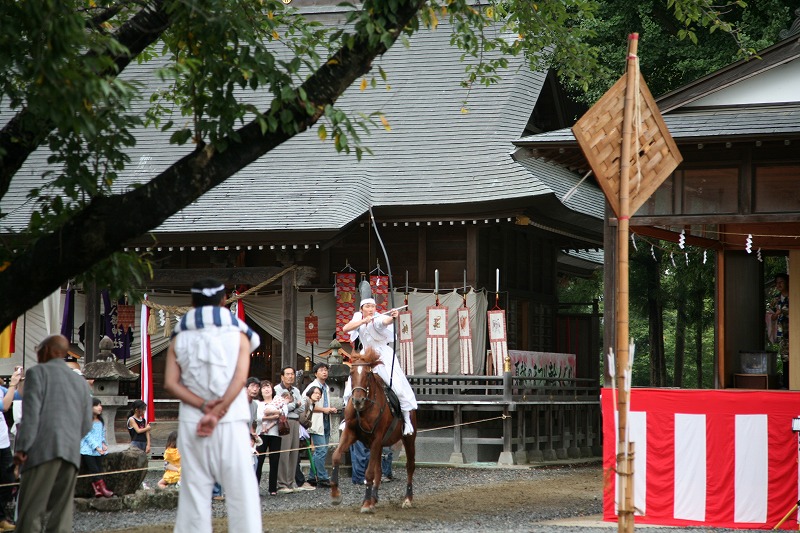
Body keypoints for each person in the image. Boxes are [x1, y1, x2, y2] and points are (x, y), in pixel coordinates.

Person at [164, 278, 262, 533]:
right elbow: (240, 378)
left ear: (192, 303)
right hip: (231, 418)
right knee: (242, 489)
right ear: (223, 301)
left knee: (194, 490)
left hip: (193, 419)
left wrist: (205, 406)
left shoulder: (180, 335)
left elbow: (171, 383)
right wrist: (218, 411)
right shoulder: (238, 332)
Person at [14, 334, 93, 533]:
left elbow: (31, 415)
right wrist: (71, 439)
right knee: (62, 515)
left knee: (31, 511)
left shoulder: (37, 373)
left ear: (47, 351)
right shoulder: (81, 382)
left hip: (42, 450)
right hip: (70, 452)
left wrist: (22, 447)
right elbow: (86, 424)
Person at [343, 297, 418, 434]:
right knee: (351, 386)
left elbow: (383, 323)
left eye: (373, 306)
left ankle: (407, 420)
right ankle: (347, 418)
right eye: (367, 306)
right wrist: (363, 321)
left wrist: (392, 317)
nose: (371, 309)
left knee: (397, 386)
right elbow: (345, 328)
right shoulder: (358, 317)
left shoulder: (378, 318)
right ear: (361, 309)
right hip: (366, 355)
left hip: (383, 355)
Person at [302, 362, 336, 487]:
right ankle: (322, 478)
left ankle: (312, 477)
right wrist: (324, 409)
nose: (324, 372)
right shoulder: (312, 386)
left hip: (326, 421)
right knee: (321, 451)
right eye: (321, 370)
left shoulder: (326, 387)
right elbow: (306, 403)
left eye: (326, 370)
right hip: (316, 422)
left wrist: (329, 409)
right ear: (316, 373)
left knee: (321, 451)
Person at [274, 366, 304, 494]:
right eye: (287, 374)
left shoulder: (296, 390)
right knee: (284, 453)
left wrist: (291, 406)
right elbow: (280, 407)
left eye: (292, 374)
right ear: (282, 376)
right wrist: (295, 405)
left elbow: (302, 407)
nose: (290, 376)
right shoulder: (277, 389)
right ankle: (282, 483)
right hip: (283, 422)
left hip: (296, 421)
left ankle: (291, 482)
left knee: (294, 453)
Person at [0, 367, 23, 530]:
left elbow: (18, 395)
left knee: (8, 478)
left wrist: (20, 381)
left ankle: (1, 517)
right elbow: (4, 406)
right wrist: (13, 384)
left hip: (3, 441)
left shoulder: (1, 389)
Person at [80, 397, 114, 498]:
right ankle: (103, 489)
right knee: (93, 469)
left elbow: (102, 434)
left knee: (98, 469)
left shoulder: (100, 420)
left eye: (100, 405)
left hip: (98, 449)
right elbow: (87, 435)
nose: (100, 407)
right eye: (96, 405)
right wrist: (96, 447)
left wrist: (103, 444)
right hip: (87, 449)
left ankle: (97, 490)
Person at [255, 380, 283, 496]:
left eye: (269, 387)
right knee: (259, 460)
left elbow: (283, 413)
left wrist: (273, 414)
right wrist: (274, 415)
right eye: (264, 388)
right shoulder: (257, 403)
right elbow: (258, 418)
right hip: (261, 433)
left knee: (274, 460)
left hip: (275, 433)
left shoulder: (278, 401)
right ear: (261, 391)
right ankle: (255, 486)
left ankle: (272, 488)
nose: (267, 390)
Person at [769, 273, 790, 388]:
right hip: (784, 335)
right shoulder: (775, 300)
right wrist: (775, 315)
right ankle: (787, 385)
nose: (779, 285)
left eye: (781, 282)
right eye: (777, 283)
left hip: (795, 332)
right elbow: (770, 317)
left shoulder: (794, 296)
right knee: (785, 359)